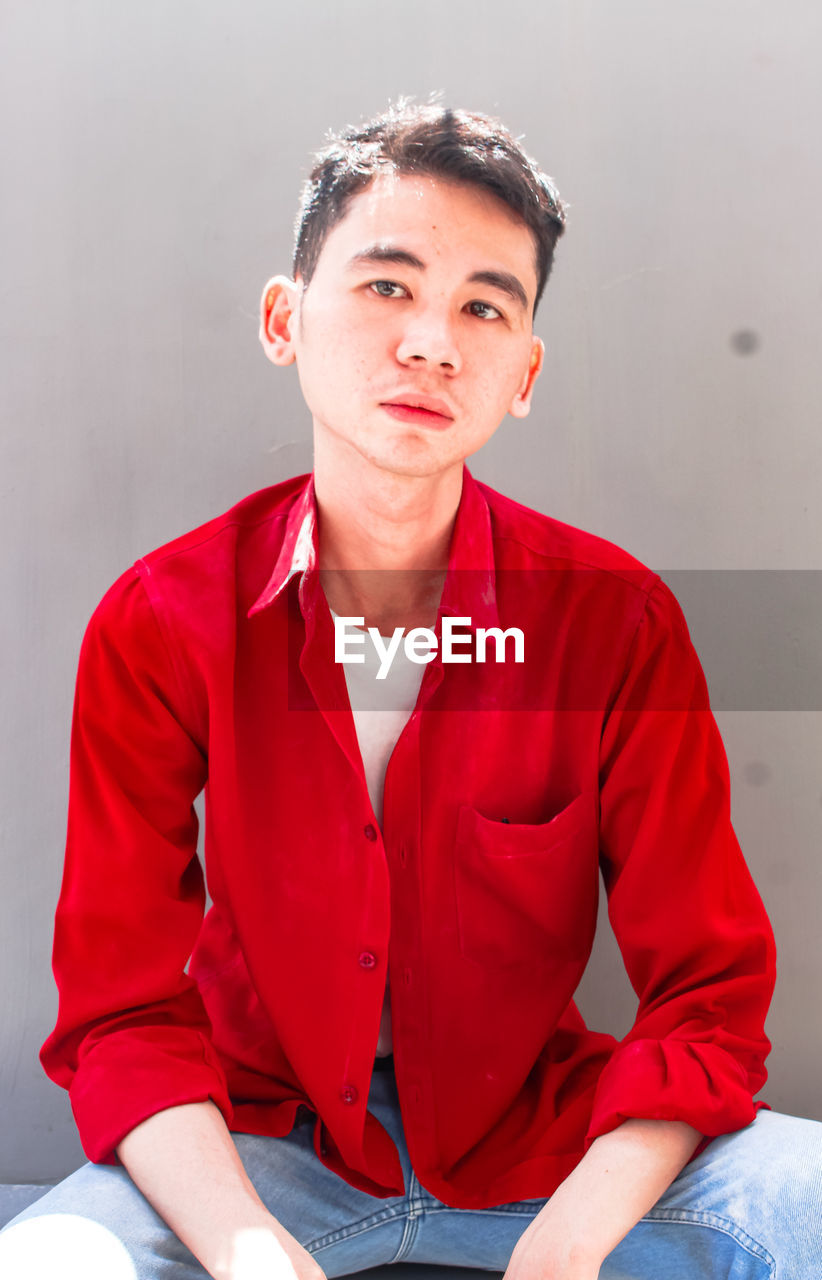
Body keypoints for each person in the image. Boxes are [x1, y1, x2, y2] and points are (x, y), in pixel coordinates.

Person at [1, 102, 819, 1280]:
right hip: (258, 1149)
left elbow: (708, 993)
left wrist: (570, 1246)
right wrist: (241, 1247)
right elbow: (120, 1009)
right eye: (387, 286)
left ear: (523, 371)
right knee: (52, 1263)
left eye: (485, 306)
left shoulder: (615, 620)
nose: (433, 341)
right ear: (286, 319)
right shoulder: (164, 620)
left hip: (549, 1146)